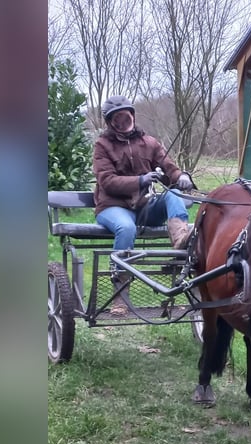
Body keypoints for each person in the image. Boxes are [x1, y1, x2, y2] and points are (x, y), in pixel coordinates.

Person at [93, 95, 195, 314]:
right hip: (112, 206)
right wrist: (140, 180)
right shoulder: (102, 146)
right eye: (117, 119)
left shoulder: (149, 143)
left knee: (173, 194)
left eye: (126, 117)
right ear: (110, 122)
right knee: (126, 228)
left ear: (132, 117)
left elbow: (169, 167)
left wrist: (181, 176)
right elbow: (106, 181)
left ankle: (181, 242)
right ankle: (120, 293)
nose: (122, 122)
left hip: (144, 206)